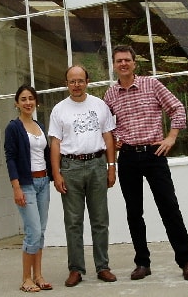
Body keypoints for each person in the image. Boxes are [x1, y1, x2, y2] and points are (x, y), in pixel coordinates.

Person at [104, 45, 188, 282]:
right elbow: (105, 124)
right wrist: (114, 139)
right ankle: (142, 263)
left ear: (134, 63)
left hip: (154, 154)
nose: (123, 64)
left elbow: (177, 108)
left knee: (169, 207)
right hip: (127, 158)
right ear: (114, 65)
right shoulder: (110, 94)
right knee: (134, 212)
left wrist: (172, 137)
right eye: (119, 61)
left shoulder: (151, 84)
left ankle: (186, 262)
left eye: (127, 60)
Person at [48, 65, 117, 287]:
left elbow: (108, 137)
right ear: (67, 83)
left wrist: (111, 166)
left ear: (87, 81)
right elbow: (55, 144)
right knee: (73, 222)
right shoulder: (59, 109)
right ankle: (76, 269)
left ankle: (103, 267)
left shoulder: (99, 105)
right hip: (71, 168)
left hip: (97, 165)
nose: (76, 85)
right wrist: (56, 174)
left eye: (80, 80)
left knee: (100, 220)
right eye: (71, 81)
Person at [4, 84, 53, 292]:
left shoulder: (39, 126)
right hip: (26, 184)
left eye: (31, 98)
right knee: (32, 231)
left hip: (43, 183)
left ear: (36, 102)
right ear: (17, 103)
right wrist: (16, 187)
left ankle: (38, 275)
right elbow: (11, 158)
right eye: (23, 99)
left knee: (40, 232)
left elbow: (45, 154)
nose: (28, 102)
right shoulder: (14, 127)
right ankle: (26, 279)